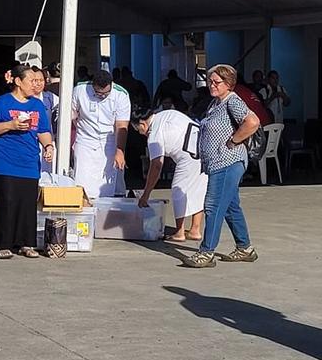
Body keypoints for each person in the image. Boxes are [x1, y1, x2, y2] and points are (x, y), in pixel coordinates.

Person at [184, 64, 260, 268]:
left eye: (216, 82)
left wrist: (234, 141)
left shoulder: (232, 101)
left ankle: (206, 252)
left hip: (228, 161)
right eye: (210, 81)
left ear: (229, 83)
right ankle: (245, 248)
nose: (211, 85)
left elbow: (252, 122)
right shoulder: (216, 103)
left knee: (213, 205)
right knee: (230, 207)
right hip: (218, 162)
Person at [0, 65, 54, 259]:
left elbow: (43, 131)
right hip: (5, 161)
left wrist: (49, 147)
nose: (35, 85)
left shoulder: (37, 105)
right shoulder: (2, 103)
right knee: (7, 202)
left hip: (29, 161)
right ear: (18, 81)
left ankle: (26, 243)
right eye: (31, 81)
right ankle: (2, 244)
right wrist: (10, 125)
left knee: (27, 203)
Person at [132, 108, 205, 242]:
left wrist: (146, 194)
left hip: (188, 156)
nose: (140, 133)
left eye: (138, 130)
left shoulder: (154, 134)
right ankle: (195, 229)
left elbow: (156, 166)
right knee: (198, 190)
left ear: (142, 124)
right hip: (203, 150)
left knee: (178, 190)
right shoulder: (166, 114)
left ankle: (179, 232)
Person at [71, 70, 131, 198]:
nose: (102, 96)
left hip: (109, 140)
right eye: (98, 93)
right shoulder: (80, 90)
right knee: (82, 180)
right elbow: (71, 115)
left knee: (110, 182)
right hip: (85, 139)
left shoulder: (121, 94)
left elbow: (122, 126)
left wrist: (120, 151)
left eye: (106, 93)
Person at [31, 67, 58, 173]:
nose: (38, 84)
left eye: (41, 80)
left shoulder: (50, 97)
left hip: (47, 142)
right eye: (35, 81)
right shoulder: (24, 98)